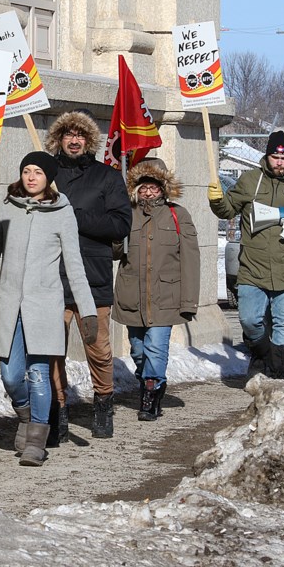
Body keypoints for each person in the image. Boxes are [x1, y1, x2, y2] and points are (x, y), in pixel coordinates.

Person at [0, 151, 97, 466]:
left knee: (38, 373)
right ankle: (26, 415)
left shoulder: (62, 211)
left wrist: (88, 311)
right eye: (26, 171)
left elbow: (75, 266)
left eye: (38, 172)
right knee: (10, 374)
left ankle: (36, 442)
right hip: (10, 306)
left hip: (44, 306)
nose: (31, 177)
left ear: (48, 178)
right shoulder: (6, 206)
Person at [44, 110, 131, 441]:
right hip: (53, 277)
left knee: (98, 347)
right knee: (52, 349)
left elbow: (121, 224)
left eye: (80, 135)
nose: (74, 140)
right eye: (68, 135)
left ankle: (103, 403)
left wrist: (76, 217)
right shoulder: (46, 175)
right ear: (60, 139)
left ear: (89, 140)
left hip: (92, 278)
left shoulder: (107, 177)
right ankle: (59, 410)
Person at [208, 130, 284, 380]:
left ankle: (279, 377)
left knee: (283, 322)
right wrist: (216, 199)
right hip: (253, 269)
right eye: (274, 157)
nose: (279, 162)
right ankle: (261, 354)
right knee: (249, 321)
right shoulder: (250, 181)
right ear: (267, 156)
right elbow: (226, 211)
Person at [113, 159, 199, 420]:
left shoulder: (178, 215)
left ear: (163, 188)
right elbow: (114, 252)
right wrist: (116, 234)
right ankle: (150, 380)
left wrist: (189, 301)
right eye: (143, 187)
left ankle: (150, 393)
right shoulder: (126, 212)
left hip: (166, 297)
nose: (148, 192)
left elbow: (190, 259)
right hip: (132, 296)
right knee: (138, 349)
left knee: (156, 348)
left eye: (153, 187)